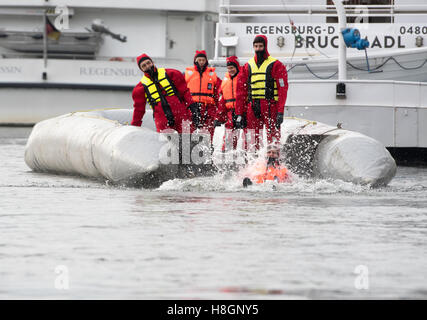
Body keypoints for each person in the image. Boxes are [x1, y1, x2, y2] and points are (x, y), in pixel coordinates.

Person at [235, 35, 289, 151]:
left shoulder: (276, 65)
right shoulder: (247, 66)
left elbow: (282, 89)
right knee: (251, 138)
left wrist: (280, 111)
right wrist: (239, 113)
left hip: (270, 106)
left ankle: (274, 162)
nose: (258, 49)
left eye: (260, 46)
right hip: (253, 106)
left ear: (265, 46)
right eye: (256, 46)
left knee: (273, 136)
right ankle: (253, 163)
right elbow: (240, 92)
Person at [131, 53, 201, 133]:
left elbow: (185, 92)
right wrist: (134, 128)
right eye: (144, 66)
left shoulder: (172, 74)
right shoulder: (140, 88)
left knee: (187, 143)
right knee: (165, 144)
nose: (147, 66)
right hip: (162, 122)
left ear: (152, 62)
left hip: (181, 116)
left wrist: (192, 106)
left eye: (148, 63)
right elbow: (139, 110)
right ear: (141, 69)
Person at [185, 50, 222, 141]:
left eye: (203, 60)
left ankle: (208, 147)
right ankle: (190, 148)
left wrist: (218, 107)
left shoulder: (212, 75)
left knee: (209, 130)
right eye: (199, 60)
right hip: (192, 106)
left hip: (208, 107)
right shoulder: (188, 74)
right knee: (190, 129)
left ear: (206, 61)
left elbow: (220, 89)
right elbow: (182, 90)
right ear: (195, 61)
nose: (201, 62)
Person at [214, 56, 247, 152]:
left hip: (244, 111)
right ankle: (227, 157)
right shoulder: (226, 80)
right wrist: (218, 117)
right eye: (228, 68)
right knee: (229, 137)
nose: (230, 70)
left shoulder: (243, 77)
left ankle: (248, 158)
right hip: (230, 113)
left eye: (232, 68)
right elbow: (222, 101)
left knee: (249, 137)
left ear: (237, 67)